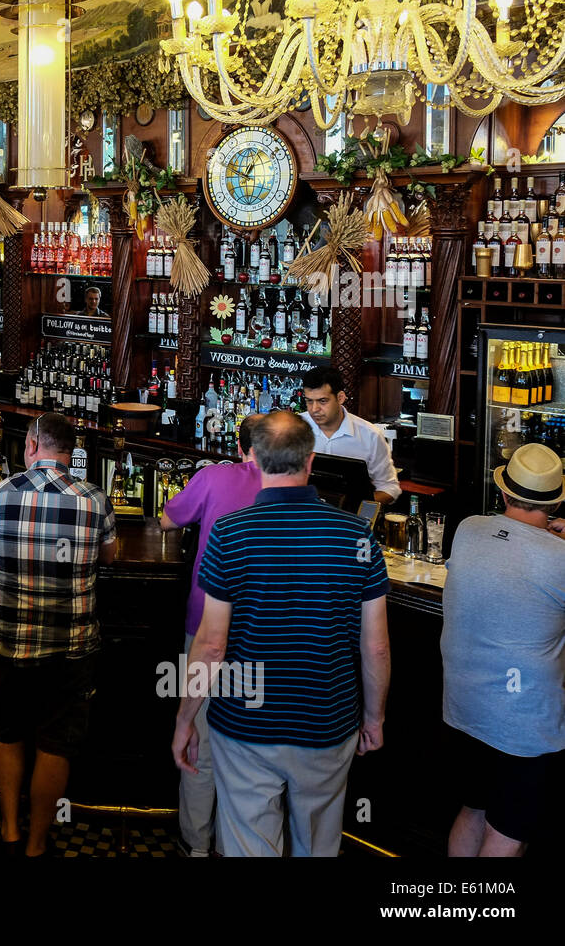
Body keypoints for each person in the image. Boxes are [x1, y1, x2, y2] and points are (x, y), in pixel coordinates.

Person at [172, 411, 391, 857]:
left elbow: (211, 646)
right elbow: (376, 645)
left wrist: (184, 719)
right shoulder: (357, 535)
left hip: (245, 722)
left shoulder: (231, 534)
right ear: (311, 460)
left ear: (256, 459)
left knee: (249, 845)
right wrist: (374, 718)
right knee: (318, 843)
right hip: (327, 720)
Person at [0, 412, 117, 857]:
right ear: (71, 452)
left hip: (9, 639)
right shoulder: (95, 499)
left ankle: (8, 831)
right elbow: (110, 557)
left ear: (31, 445)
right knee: (55, 744)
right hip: (71, 646)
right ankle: (37, 844)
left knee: (8, 733)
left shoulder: (2, 493)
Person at [442, 442, 565, 857]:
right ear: (557, 500)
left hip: (465, 709)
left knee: (473, 809)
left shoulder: (468, 529)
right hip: (522, 721)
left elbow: (512, 551)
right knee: (508, 830)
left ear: (504, 492)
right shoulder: (560, 556)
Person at [160, 413, 265, 857]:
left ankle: (195, 846)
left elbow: (167, 520)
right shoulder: (294, 492)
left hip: (205, 627)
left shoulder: (213, 477)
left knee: (198, 744)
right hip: (263, 636)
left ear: (241, 448)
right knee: (247, 755)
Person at [300, 365, 401, 504]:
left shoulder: (370, 435)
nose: (314, 409)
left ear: (340, 397)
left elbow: (389, 488)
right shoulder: (295, 428)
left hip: (349, 520)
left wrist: (355, 506)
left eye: (322, 401)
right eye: (309, 401)